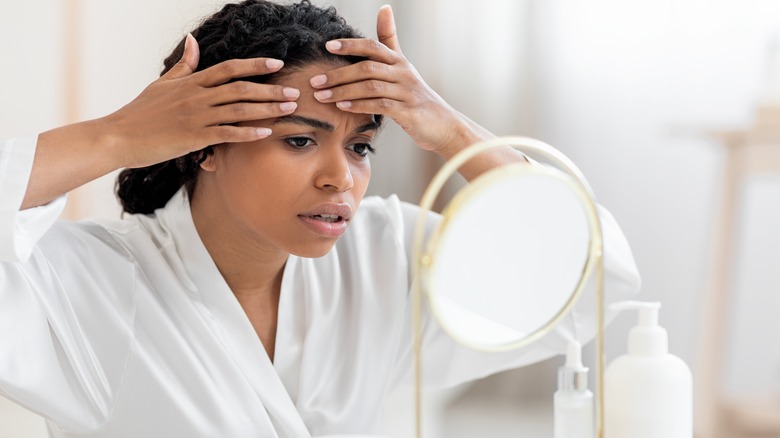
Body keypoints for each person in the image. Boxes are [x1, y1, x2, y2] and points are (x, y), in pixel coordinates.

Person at [0, 1, 640, 436]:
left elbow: (590, 281)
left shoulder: (384, 255)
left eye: (360, 147)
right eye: (301, 140)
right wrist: (115, 137)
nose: (342, 178)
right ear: (204, 145)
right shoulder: (92, 286)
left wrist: (451, 131)